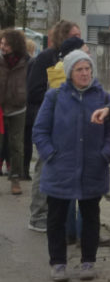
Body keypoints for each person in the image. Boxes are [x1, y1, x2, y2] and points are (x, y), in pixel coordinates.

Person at [32, 49, 110, 282]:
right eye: (79, 69)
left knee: (90, 216)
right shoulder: (55, 97)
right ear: (70, 72)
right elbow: (39, 130)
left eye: (88, 69)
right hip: (60, 168)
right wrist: (50, 154)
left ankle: (88, 261)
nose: (85, 73)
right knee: (56, 217)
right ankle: (58, 263)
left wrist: (106, 154)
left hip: (93, 167)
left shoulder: (104, 98)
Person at [26, 20, 81, 231]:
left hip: (70, 124)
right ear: (63, 37)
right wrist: (57, 99)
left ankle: (61, 218)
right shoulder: (45, 58)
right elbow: (34, 92)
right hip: (48, 122)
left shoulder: (79, 61)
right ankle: (38, 215)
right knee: (44, 166)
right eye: (74, 35)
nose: (79, 39)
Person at [0, 28, 29, 195]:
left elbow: (31, 82)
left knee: (16, 145)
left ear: (15, 45)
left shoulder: (26, 61)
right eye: (2, 43)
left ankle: (15, 179)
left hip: (18, 108)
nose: (3, 47)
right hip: (0, 108)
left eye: (6, 44)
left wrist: (25, 96)